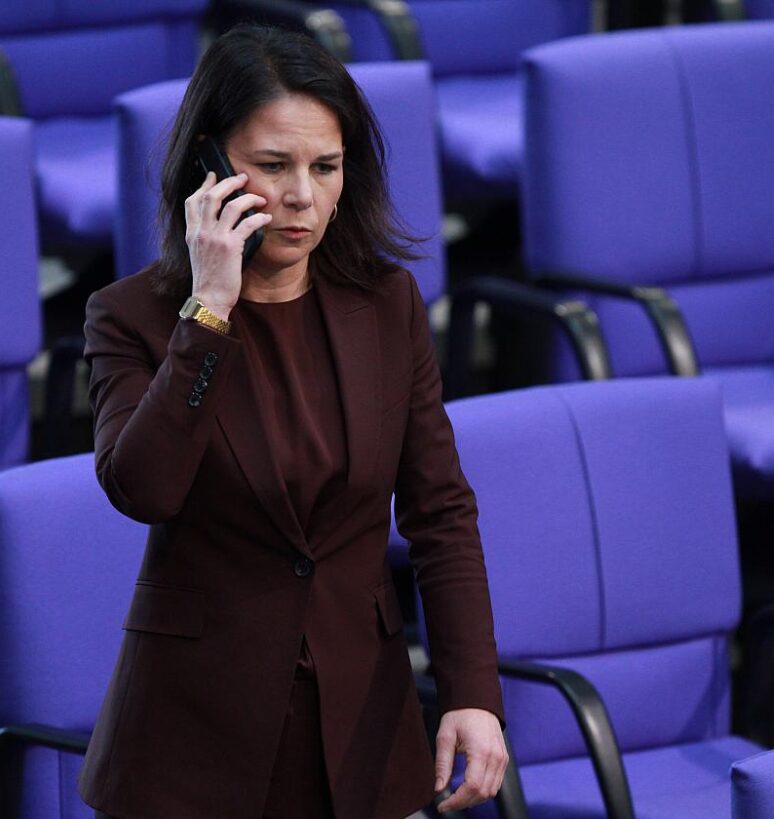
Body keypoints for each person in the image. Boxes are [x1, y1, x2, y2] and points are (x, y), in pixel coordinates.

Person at [79, 25, 507, 819]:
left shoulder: (386, 304)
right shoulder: (132, 316)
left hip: (363, 730)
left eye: (325, 166)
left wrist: (472, 692)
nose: (302, 196)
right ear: (209, 164)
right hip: (191, 747)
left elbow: (441, 511)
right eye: (272, 165)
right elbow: (144, 487)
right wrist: (209, 310)